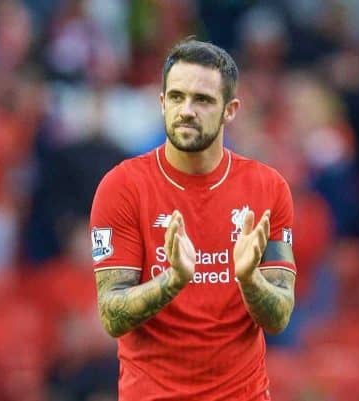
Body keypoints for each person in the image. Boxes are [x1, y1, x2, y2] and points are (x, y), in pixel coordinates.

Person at [90, 38, 296, 401]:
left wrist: (248, 279)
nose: (186, 110)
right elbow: (111, 313)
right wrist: (173, 280)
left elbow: (278, 316)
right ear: (161, 102)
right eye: (176, 97)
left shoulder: (268, 188)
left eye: (202, 100)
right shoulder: (121, 187)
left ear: (230, 110)